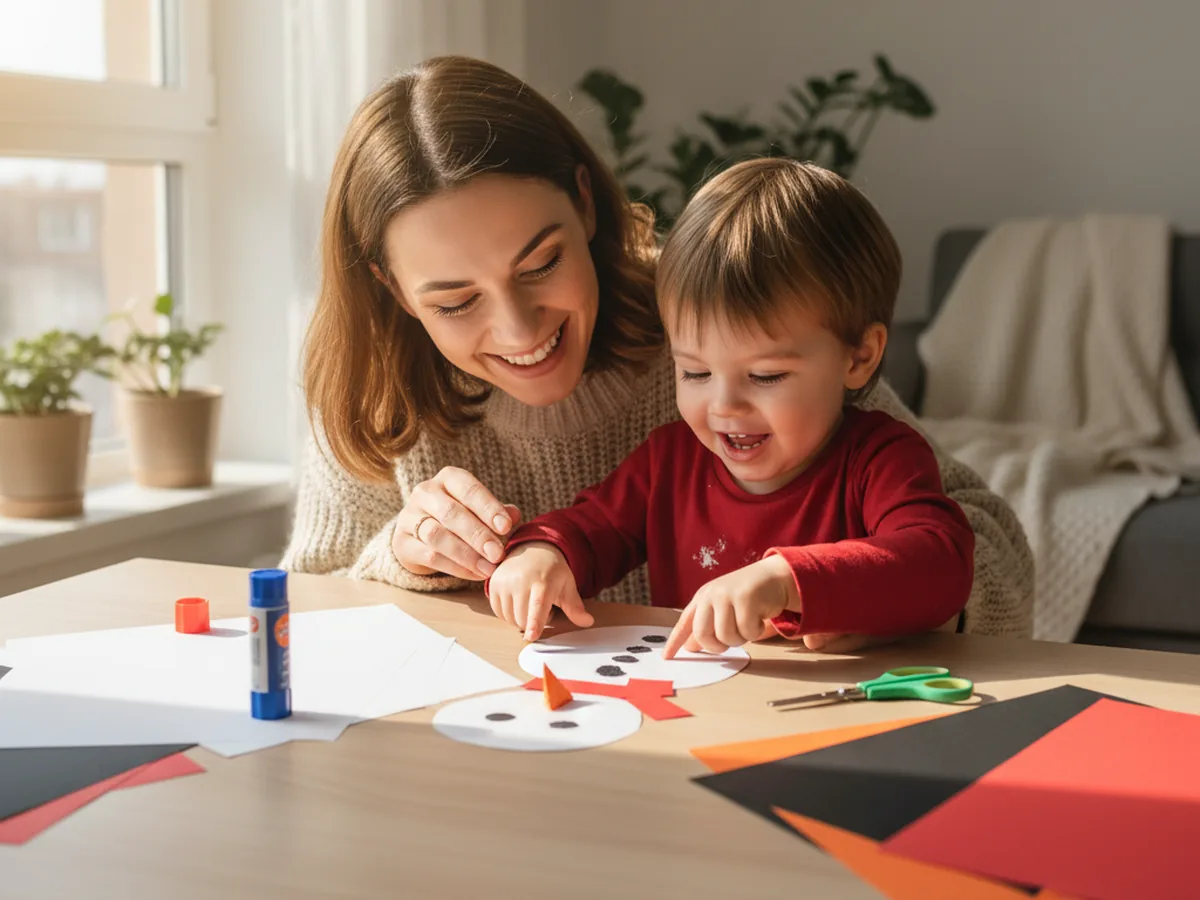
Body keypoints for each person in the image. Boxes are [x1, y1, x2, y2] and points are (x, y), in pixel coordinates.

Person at [280, 55, 1034, 649]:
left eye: (541, 263)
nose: (516, 330)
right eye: (455, 302)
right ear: (392, 289)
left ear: (583, 201)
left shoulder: (714, 312)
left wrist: (840, 590)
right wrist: (408, 559)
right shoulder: (373, 388)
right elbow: (305, 618)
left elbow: (981, 547)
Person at [485, 158, 976, 656]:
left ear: (860, 356)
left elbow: (943, 562)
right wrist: (541, 552)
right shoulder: (669, 462)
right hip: (701, 715)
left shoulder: (880, 459)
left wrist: (787, 579)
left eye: (765, 376)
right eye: (694, 372)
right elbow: (590, 529)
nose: (723, 405)